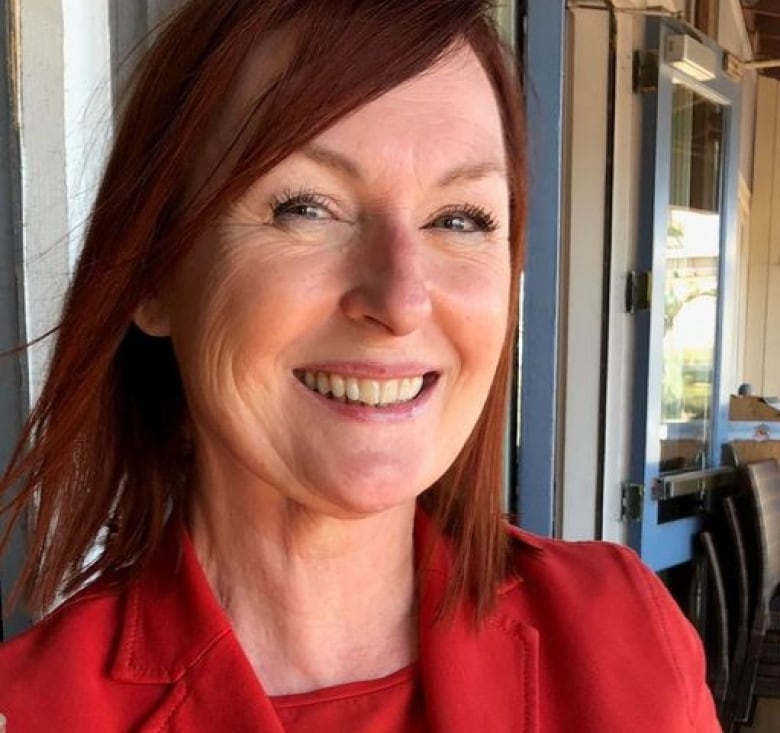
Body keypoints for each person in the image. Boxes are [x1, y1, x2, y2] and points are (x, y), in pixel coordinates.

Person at [0, 1, 719, 731]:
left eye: (458, 219)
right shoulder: (31, 710)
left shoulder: (626, 638)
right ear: (154, 271)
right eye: (306, 207)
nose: (401, 299)